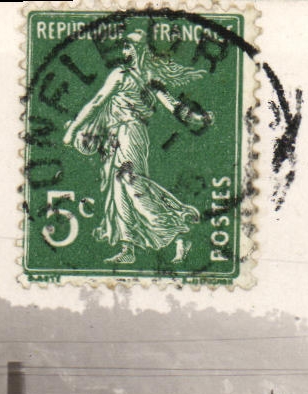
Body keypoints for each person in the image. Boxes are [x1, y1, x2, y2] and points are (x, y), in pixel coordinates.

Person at [61, 29, 202, 265]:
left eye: (129, 47)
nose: (124, 51)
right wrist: (192, 116)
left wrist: (72, 130)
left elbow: (97, 103)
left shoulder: (126, 75)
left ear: (140, 51)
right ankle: (129, 248)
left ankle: (178, 231)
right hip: (117, 136)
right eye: (124, 46)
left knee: (131, 184)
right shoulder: (139, 76)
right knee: (120, 192)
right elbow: (174, 106)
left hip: (130, 134)